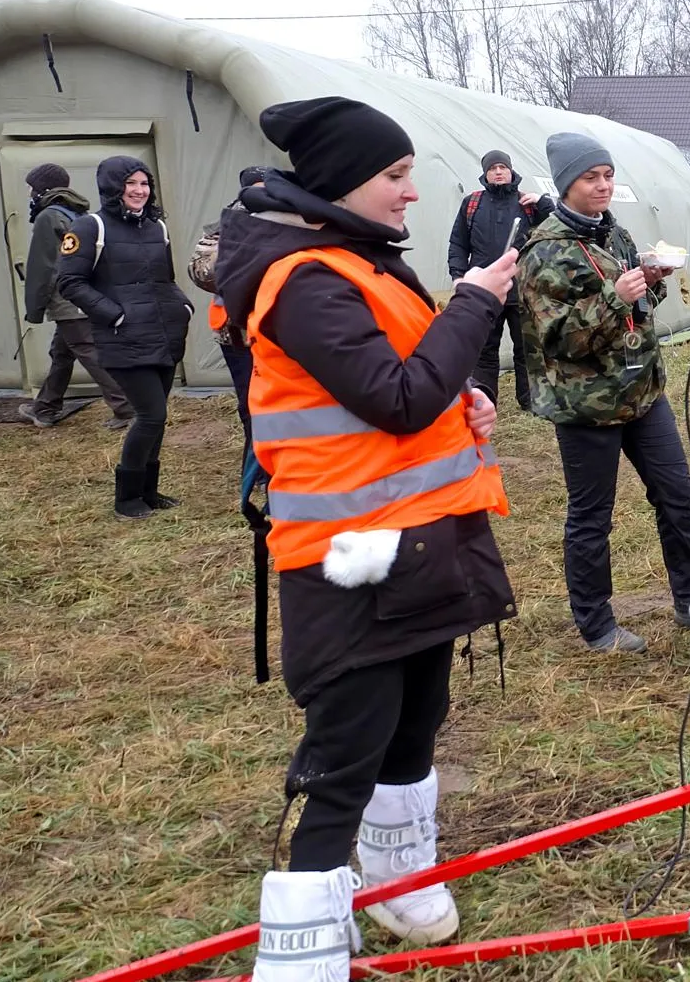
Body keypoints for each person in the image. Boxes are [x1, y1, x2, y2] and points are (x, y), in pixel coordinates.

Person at [211, 96, 518, 980]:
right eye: (395, 175)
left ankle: (396, 880)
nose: (411, 193)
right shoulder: (303, 280)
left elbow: (411, 389)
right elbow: (395, 396)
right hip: (348, 560)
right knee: (347, 748)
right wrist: (472, 303)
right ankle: (300, 948)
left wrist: (465, 407)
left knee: (418, 716)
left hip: (419, 542)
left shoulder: (359, 265)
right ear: (345, 180)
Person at [518, 132, 690, 653]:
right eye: (591, 178)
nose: (603, 185)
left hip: (642, 393)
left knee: (676, 496)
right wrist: (614, 296)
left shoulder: (615, 235)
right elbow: (555, 339)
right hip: (586, 407)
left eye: (608, 175)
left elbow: (636, 311)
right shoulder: (545, 252)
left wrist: (650, 278)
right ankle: (596, 623)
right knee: (592, 517)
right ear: (566, 185)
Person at [56, 156, 192, 519]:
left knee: (157, 419)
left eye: (144, 183)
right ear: (113, 187)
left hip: (162, 334)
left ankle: (149, 492)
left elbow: (166, 279)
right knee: (150, 415)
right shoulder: (89, 228)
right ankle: (127, 499)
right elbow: (69, 282)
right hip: (123, 338)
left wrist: (183, 307)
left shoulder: (156, 227)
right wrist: (115, 314)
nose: (139, 191)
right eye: (130, 183)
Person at [18, 162, 134, 429]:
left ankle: (127, 409)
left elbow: (43, 267)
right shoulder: (77, 212)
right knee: (62, 353)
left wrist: (34, 308)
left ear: (42, 189)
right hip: (84, 295)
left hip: (69, 300)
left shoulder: (49, 217)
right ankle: (45, 408)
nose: (29, 193)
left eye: (30, 188)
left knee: (89, 352)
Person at [449, 150, 550, 410]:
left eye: (502, 167)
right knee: (484, 350)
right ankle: (484, 400)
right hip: (485, 291)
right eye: (492, 168)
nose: (498, 172)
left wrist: (544, 202)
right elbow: (458, 243)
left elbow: (558, 224)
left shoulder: (526, 203)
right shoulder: (472, 204)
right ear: (485, 173)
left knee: (526, 349)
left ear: (510, 171)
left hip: (522, 289)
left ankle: (529, 402)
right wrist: (458, 277)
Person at [187, 165, 274, 452]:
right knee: (250, 401)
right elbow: (201, 272)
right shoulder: (227, 225)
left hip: (279, 332)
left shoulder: (290, 220)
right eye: (256, 189)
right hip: (238, 335)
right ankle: (257, 464)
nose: (263, 196)